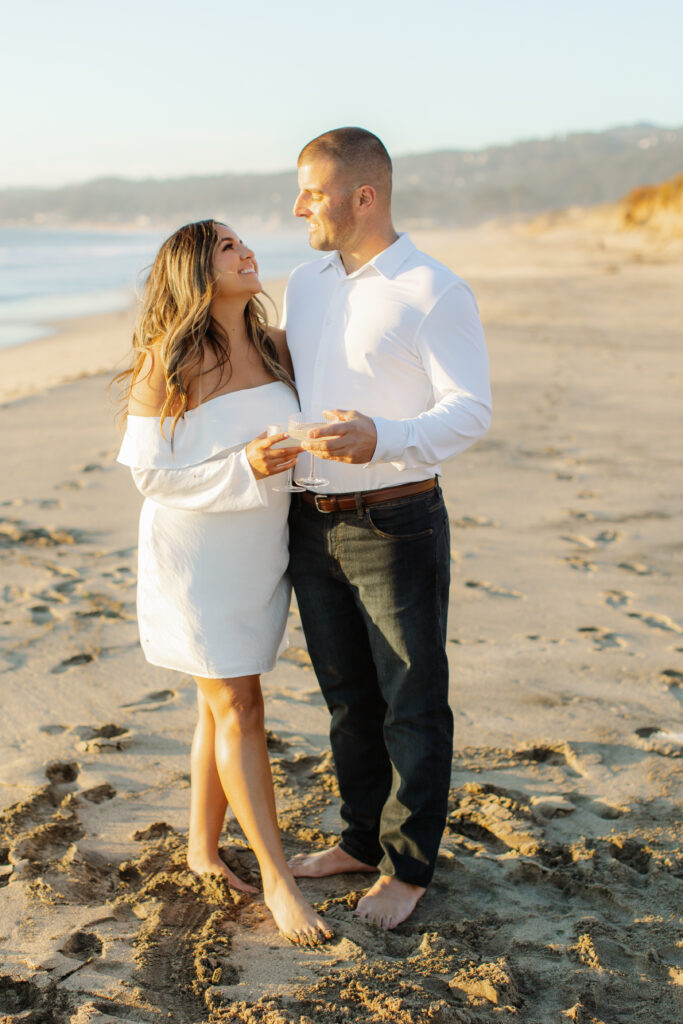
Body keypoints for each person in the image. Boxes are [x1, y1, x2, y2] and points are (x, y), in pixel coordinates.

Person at [283, 128, 492, 930]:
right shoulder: (304, 282)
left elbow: (469, 408)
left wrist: (385, 437)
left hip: (395, 519)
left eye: (312, 190)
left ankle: (407, 867)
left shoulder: (433, 290)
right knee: (346, 700)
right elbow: (297, 377)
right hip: (311, 520)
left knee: (411, 699)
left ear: (362, 196)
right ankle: (362, 840)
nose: (298, 204)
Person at [114, 219, 332, 945]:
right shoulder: (167, 360)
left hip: (258, 550)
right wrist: (246, 468)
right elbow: (150, 475)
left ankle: (203, 849)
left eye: (244, 242)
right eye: (227, 248)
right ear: (196, 272)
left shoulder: (274, 349)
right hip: (195, 556)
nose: (247, 252)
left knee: (219, 706)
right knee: (239, 702)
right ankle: (275, 880)